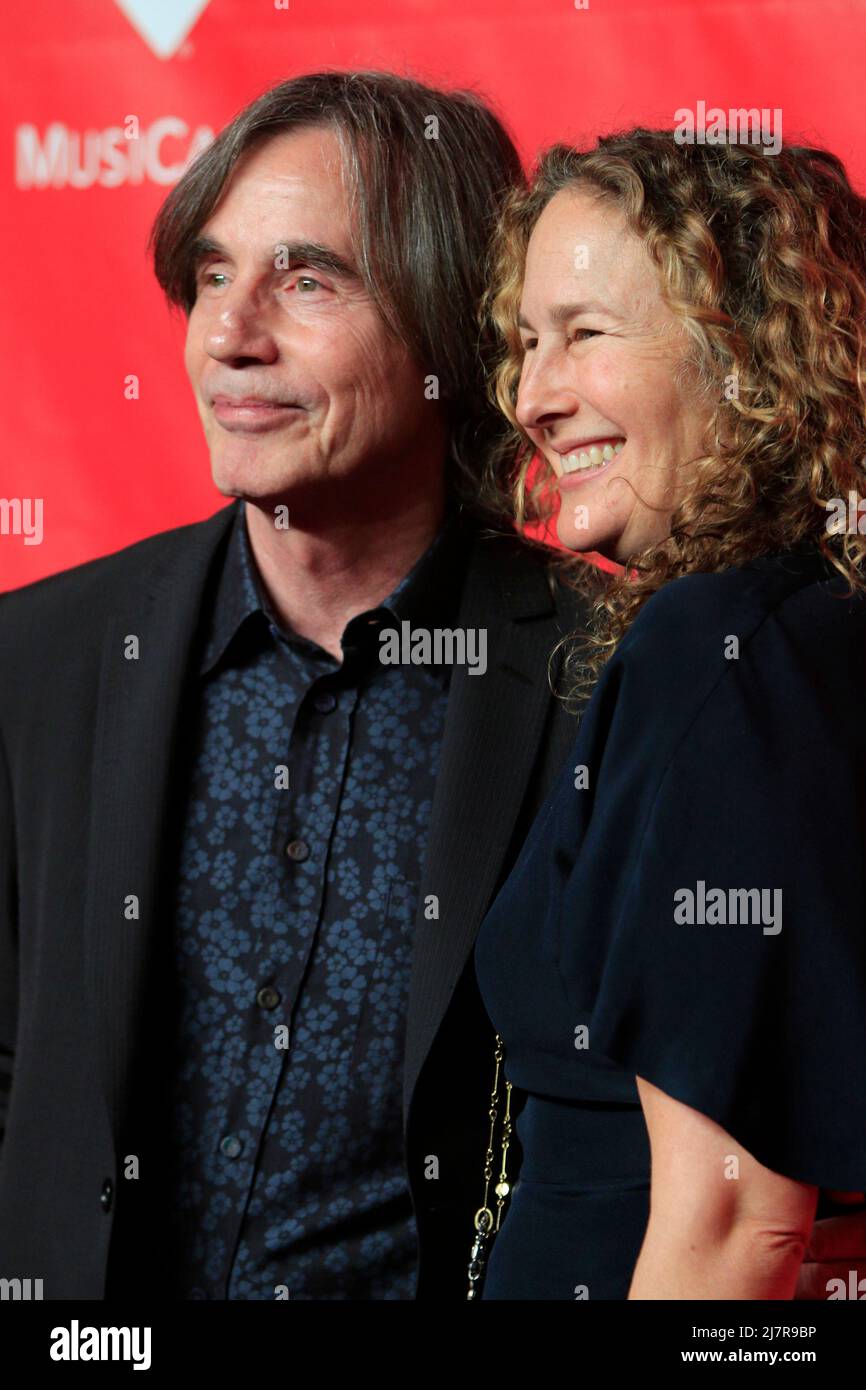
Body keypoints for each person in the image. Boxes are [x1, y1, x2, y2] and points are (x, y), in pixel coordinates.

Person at [0, 74, 861, 1301]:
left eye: (306, 280)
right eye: (208, 274)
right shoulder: (39, 659)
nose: (232, 332)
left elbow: (734, 1198)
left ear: (444, 327)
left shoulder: (622, 657)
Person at [472, 128, 866, 1299]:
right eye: (524, 344)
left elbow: (733, 1225)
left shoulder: (718, 650)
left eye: (585, 336)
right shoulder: (806, 627)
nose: (533, 397)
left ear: (740, 355)